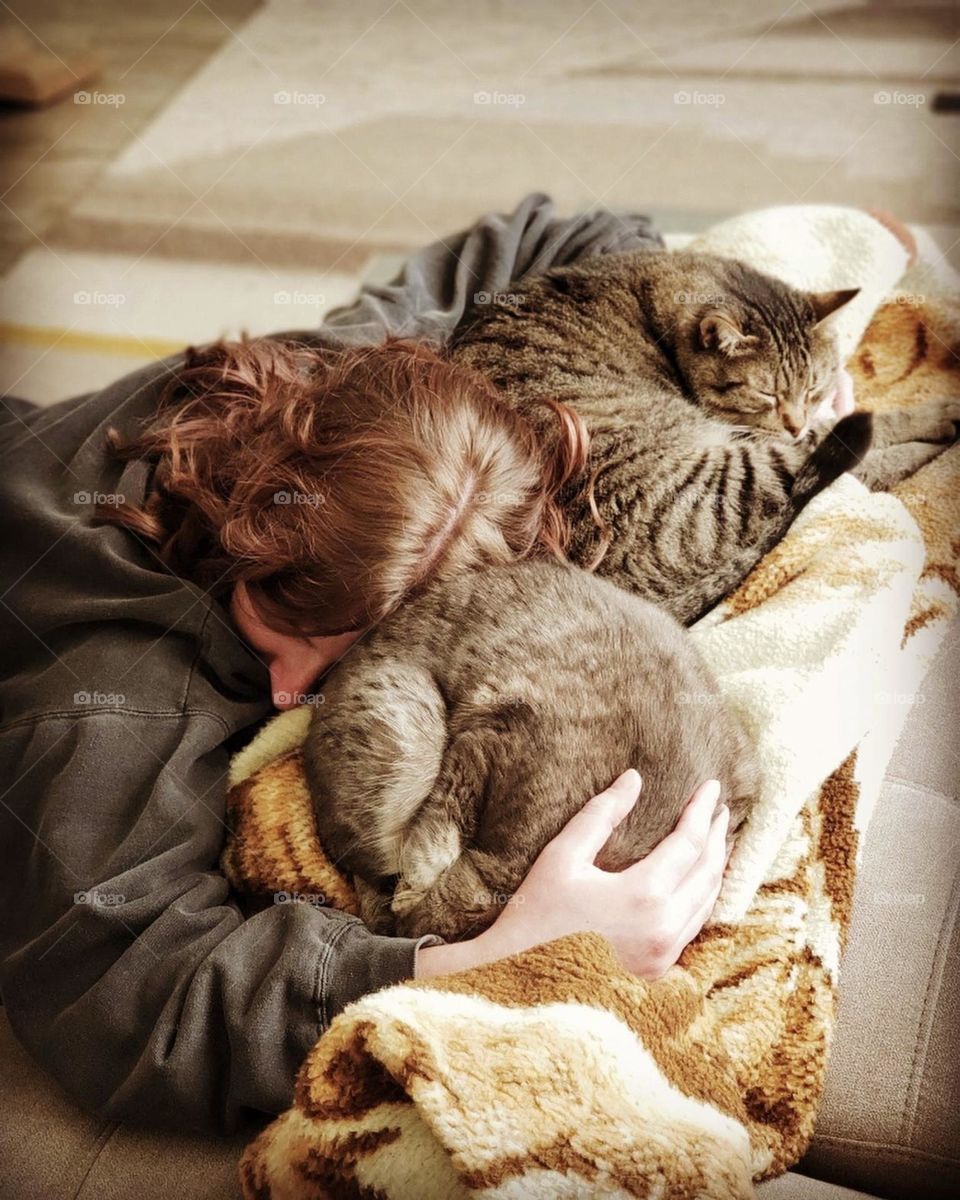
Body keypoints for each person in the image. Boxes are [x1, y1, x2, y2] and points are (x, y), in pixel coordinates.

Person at [0, 193, 730, 1135]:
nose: (288, 692)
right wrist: (484, 964)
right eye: (272, 624)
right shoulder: (112, 692)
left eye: (349, 661)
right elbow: (130, 1007)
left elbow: (579, 232)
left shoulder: (384, 380)